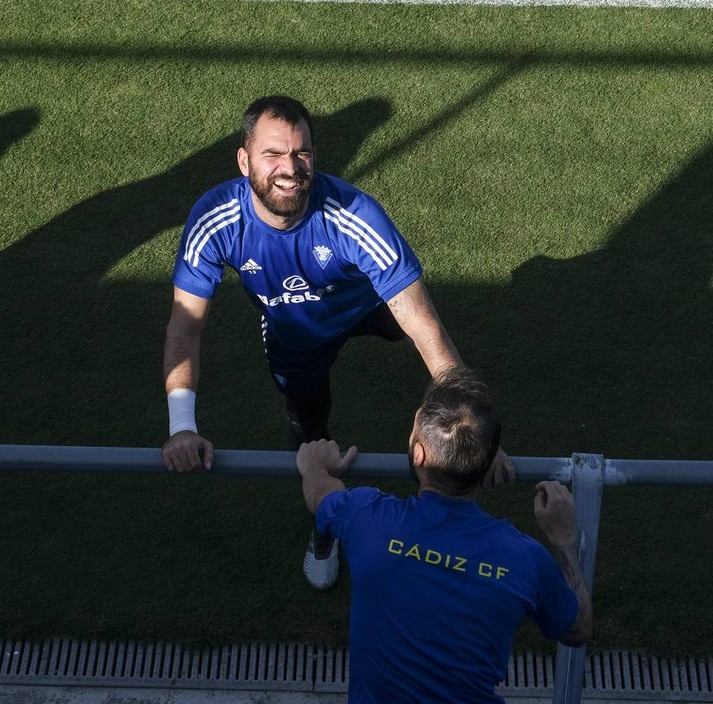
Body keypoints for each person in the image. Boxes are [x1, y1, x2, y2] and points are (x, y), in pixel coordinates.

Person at [160, 95, 513, 589]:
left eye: (301, 153)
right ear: (244, 160)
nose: (290, 168)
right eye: (273, 154)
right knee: (308, 428)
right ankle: (323, 527)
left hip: (367, 304)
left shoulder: (353, 215)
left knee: (419, 334)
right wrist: (182, 426)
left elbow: (424, 327)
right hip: (297, 333)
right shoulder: (215, 218)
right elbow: (185, 326)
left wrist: (473, 429)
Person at [296, 367, 592, 703]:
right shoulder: (524, 558)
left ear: (419, 455)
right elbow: (577, 629)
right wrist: (563, 539)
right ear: (484, 467)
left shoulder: (366, 517)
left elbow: (319, 493)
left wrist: (315, 464)